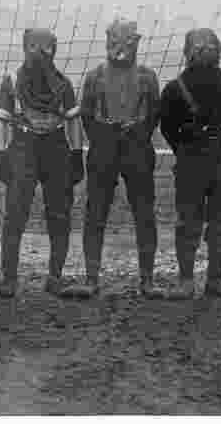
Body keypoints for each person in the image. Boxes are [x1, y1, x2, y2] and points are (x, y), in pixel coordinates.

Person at [69, 18, 161, 299]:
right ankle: (91, 278)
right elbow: (86, 112)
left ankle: (147, 279)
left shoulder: (147, 76)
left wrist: (139, 133)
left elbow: (155, 113)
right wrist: (102, 135)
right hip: (104, 150)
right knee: (95, 213)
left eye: (127, 40)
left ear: (136, 42)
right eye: (115, 40)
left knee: (144, 214)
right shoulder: (95, 75)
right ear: (108, 41)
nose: (121, 46)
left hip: (137, 149)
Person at [0, 28, 84, 298]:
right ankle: (9, 279)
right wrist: (1, 153)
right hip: (23, 146)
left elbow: (73, 120)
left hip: (56, 148)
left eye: (46, 48)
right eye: (33, 46)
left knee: (60, 213)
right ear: (24, 47)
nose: (40, 53)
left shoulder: (63, 84)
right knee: (15, 212)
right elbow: (1, 119)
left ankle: (55, 277)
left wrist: (77, 155)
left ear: (54, 50)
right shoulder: (11, 80)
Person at [159, 28, 221, 300]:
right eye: (197, 44)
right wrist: (188, 149)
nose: (203, 49)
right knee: (188, 222)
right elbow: (168, 127)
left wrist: (214, 142)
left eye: (209, 44)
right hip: (190, 161)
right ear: (186, 51)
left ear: (219, 49)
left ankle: (215, 279)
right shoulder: (173, 89)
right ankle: (185, 280)